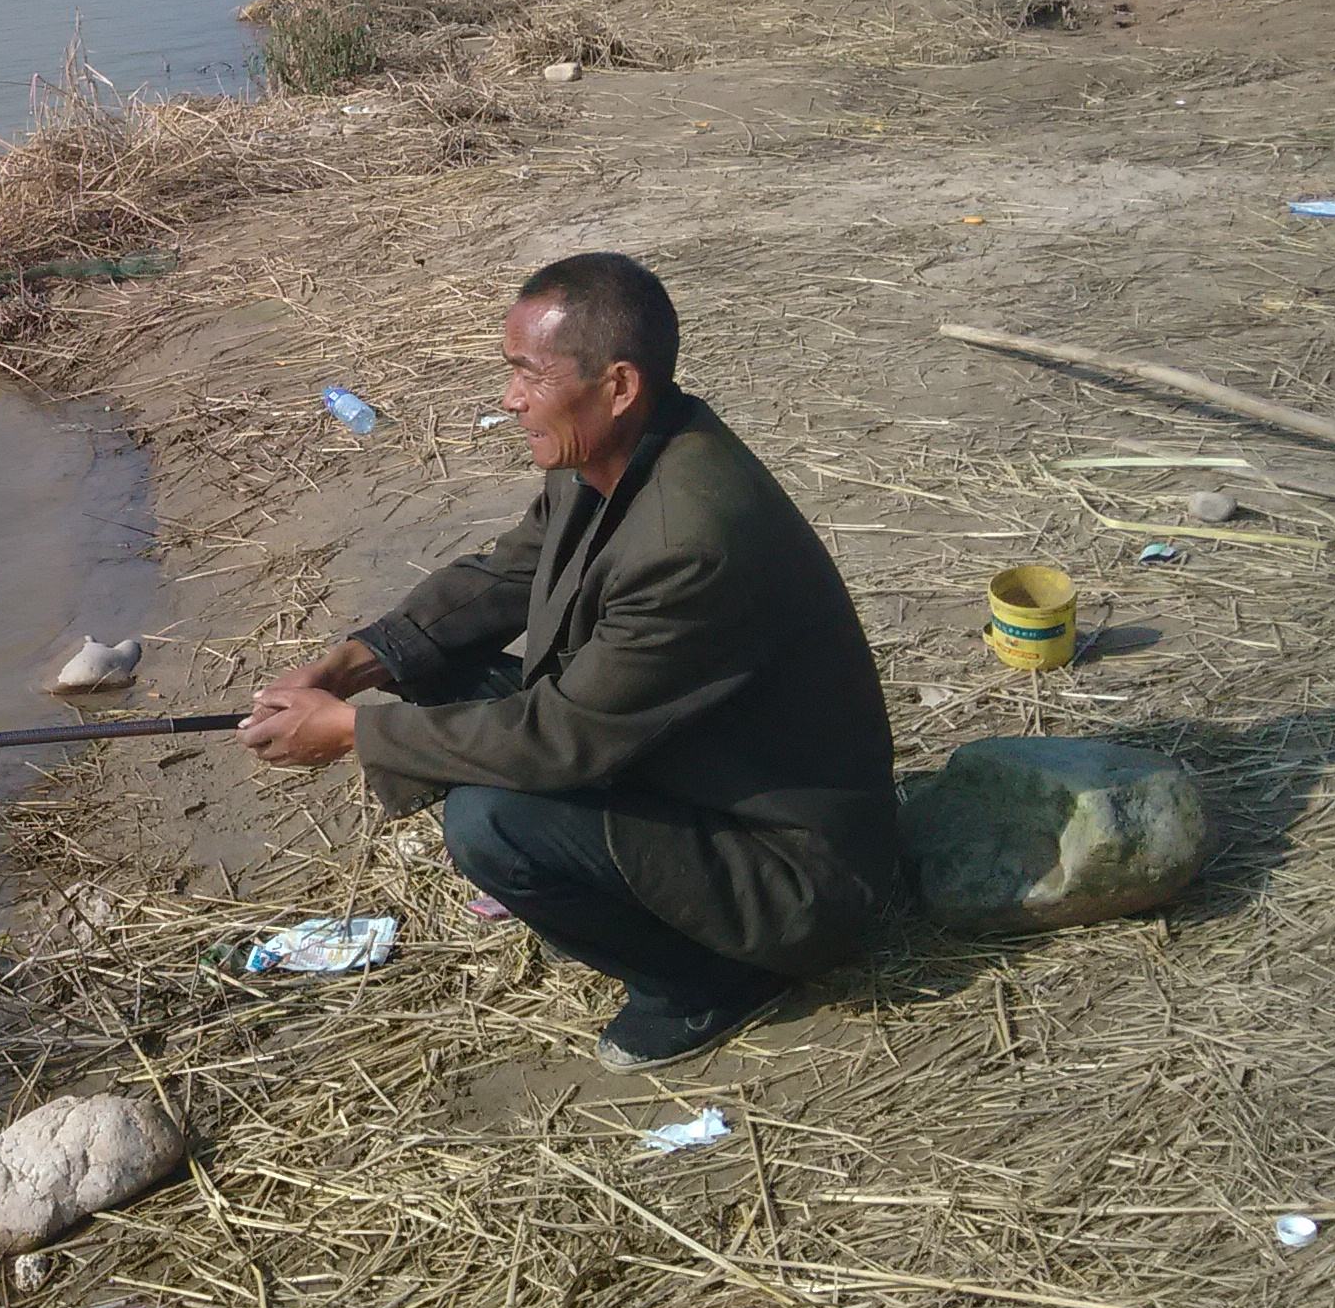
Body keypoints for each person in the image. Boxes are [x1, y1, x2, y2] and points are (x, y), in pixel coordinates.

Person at [235, 253, 898, 1070]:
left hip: (790, 868)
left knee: (494, 823)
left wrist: (350, 736)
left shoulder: (687, 542)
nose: (511, 399)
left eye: (528, 376)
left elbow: (556, 740)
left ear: (617, 385)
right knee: (436, 667)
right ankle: (626, 893)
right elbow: (509, 573)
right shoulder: (620, 450)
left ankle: (712, 982)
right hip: (694, 764)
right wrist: (349, 668)